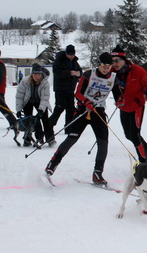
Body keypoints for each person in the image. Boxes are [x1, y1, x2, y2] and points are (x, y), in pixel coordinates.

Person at [45, 53, 116, 185]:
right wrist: (86, 102)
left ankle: (97, 173)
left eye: (109, 66)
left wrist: (120, 99)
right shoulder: (89, 75)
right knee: (71, 139)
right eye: (104, 66)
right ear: (99, 64)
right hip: (83, 111)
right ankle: (52, 164)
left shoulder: (112, 77)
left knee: (103, 143)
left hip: (98, 112)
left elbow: (118, 92)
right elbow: (77, 93)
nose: (106, 69)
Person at [111, 46, 147, 163]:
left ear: (124, 60)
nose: (115, 63)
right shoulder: (113, 72)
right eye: (113, 61)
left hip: (136, 107)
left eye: (117, 60)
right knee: (128, 135)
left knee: (134, 135)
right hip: (123, 107)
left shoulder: (137, 70)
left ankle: (143, 161)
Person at [15, 63, 53, 147]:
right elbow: (19, 96)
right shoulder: (25, 82)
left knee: (44, 118)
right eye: (35, 74)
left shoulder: (45, 83)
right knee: (28, 120)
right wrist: (18, 109)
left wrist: (41, 110)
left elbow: (45, 98)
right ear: (32, 74)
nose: (37, 76)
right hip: (28, 101)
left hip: (40, 101)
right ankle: (27, 139)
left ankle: (50, 138)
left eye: (38, 74)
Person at [49, 44, 82, 132]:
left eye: (73, 54)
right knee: (60, 108)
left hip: (71, 89)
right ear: (66, 53)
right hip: (60, 89)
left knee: (70, 109)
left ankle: (69, 127)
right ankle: (49, 125)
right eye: (69, 54)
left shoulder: (75, 61)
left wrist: (78, 74)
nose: (71, 56)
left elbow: (80, 71)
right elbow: (57, 73)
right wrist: (70, 73)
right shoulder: (59, 60)